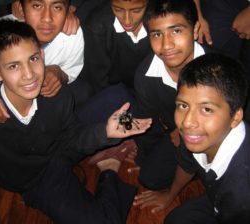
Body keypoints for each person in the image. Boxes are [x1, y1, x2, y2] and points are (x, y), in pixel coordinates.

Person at [0, 19, 152, 223]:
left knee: (121, 96)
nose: (29, 75)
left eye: (33, 59)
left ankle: (119, 143)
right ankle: (109, 168)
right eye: (13, 66)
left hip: (61, 146)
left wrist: (106, 132)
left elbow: (72, 137)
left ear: (42, 56)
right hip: (37, 179)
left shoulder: (56, 94)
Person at [135, 53, 250, 223]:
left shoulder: (241, 193)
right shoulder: (198, 136)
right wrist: (170, 195)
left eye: (207, 109)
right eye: (183, 105)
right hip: (216, 199)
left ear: (235, 117)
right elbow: (186, 163)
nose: (187, 122)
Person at [0, 0, 85, 124]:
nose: (47, 18)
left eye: (57, 7)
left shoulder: (71, 35)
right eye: (37, 6)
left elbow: (70, 71)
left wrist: (59, 73)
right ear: (20, 8)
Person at [131, 0, 210, 193]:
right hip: (174, 132)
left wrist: (184, 130)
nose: (166, 45)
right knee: (149, 177)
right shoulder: (145, 76)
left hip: (213, 134)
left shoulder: (217, 71)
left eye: (176, 31)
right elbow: (147, 120)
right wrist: (144, 156)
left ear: (196, 28)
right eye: (157, 34)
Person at [76, 0, 150, 123]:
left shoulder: (160, 19)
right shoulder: (97, 25)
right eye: (118, 9)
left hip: (148, 88)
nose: (127, 20)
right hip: (113, 90)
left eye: (136, 10)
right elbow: (98, 79)